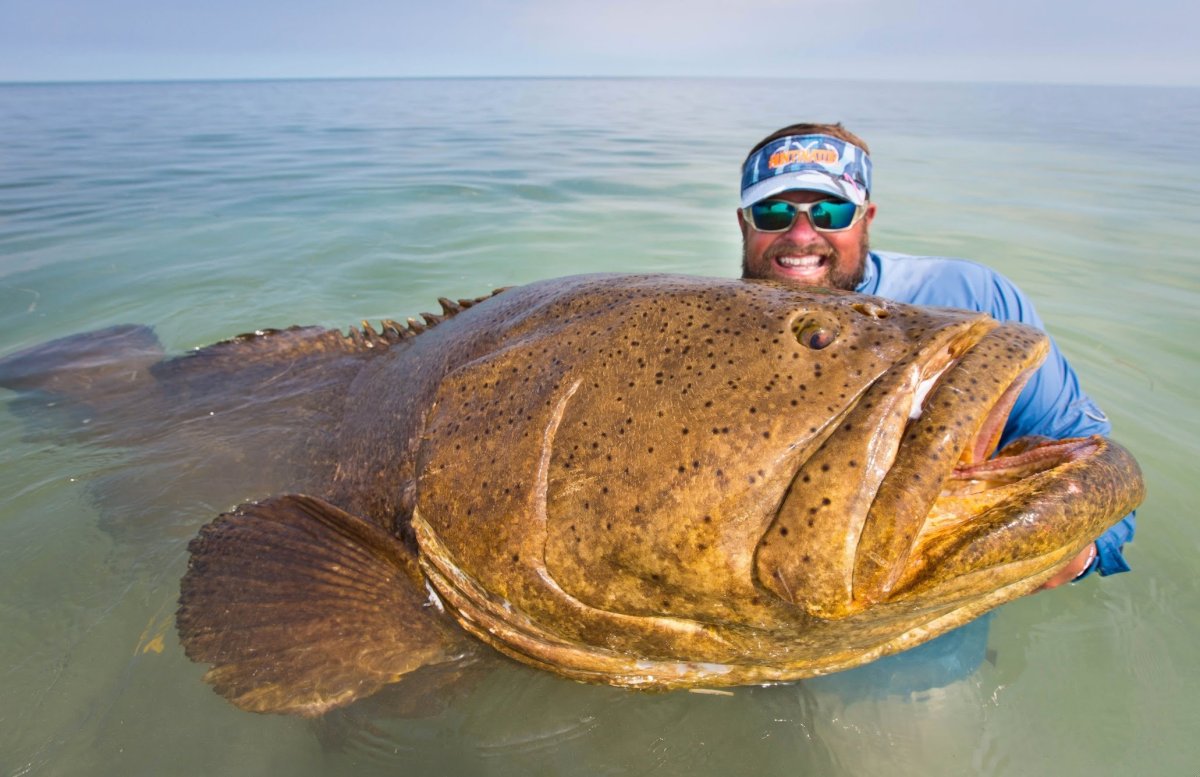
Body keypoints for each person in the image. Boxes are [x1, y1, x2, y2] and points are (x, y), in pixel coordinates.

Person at [737, 122, 1134, 588]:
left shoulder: (971, 299)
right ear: (744, 223)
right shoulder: (710, 330)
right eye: (773, 212)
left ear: (866, 218)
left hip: (936, 606)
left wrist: (1072, 552)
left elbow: (1094, 467)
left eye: (830, 211)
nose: (802, 234)